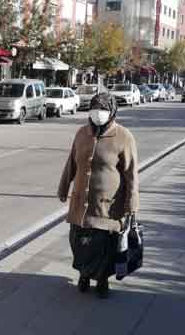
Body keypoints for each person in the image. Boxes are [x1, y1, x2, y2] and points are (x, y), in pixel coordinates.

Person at [58, 93, 139, 298]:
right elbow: (72, 163)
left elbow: (131, 174)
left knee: (103, 246)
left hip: (107, 206)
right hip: (80, 203)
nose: (98, 113)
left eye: (102, 109)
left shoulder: (124, 136)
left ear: (111, 111)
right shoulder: (82, 133)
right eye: (94, 109)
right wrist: (63, 187)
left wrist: (132, 203)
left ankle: (102, 279)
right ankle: (84, 274)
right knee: (79, 241)